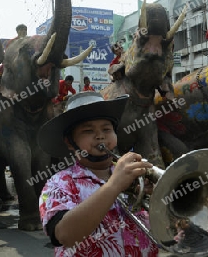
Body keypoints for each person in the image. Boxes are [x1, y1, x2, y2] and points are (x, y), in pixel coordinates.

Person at [38, 92, 158, 256]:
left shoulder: (134, 176)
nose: (100, 135)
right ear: (70, 142)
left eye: (107, 129)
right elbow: (64, 235)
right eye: (88, 130)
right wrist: (114, 185)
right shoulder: (58, 183)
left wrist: (158, 196)